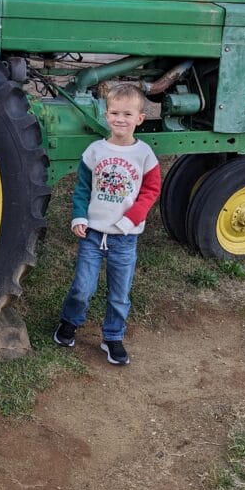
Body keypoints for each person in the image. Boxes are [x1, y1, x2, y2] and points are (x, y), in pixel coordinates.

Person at [53, 83, 161, 365]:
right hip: (92, 234)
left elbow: (150, 191)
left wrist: (130, 220)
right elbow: (82, 189)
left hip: (124, 238)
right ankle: (70, 322)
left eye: (127, 114)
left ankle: (113, 336)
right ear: (106, 115)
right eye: (114, 113)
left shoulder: (144, 155)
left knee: (119, 293)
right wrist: (79, 216)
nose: (120, 119)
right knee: (82, 286)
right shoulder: (95, 151)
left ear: (139, 118)